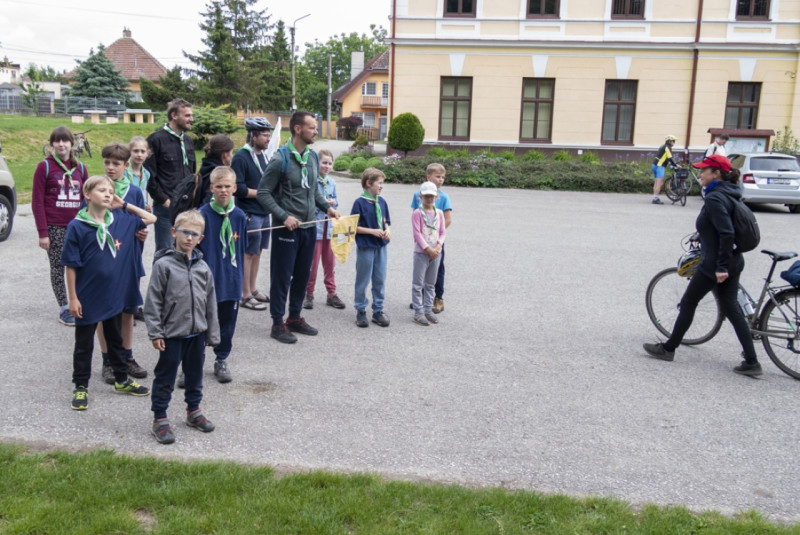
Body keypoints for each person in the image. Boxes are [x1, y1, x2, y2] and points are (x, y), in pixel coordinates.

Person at [643, 154, 763, 377]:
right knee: (731, 307)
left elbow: (726, 232)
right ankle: (752, 361)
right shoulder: (730, 192)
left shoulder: (715, 198)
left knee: (689, 302)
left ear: (716, 173)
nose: (700, 174)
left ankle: (668, 348)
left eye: (704, 170)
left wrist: (721, 267)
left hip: (715, 263)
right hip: (735, 260)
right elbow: (721, 227)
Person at [61, 175, 156, 410]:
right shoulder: (77, 226)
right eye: (101, 190)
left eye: (110, 191)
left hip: (114, 294)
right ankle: (80, 386)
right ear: (87, 195)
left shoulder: (120, 219)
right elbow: (70, 265)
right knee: (84, 345)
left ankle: (121, 380)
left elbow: (151, 218)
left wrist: (124, 204)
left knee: (115, 339)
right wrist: (73, 298)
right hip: (87, 296)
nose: (107, 194)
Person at [256, 111, 341, 344]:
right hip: (287, 229)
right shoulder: (280, 159)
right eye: (312, 127)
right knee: (282, 277)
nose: (316, 131)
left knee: (303, 275)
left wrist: (327, 208)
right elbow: (263, 193)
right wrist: (284, 216)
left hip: (309, 227)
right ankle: (277, 323)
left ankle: (294, 317)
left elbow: (313, 191)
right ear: (297, 129)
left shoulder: (312, 157)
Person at [144, 209, 220, 444]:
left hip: (197, 335)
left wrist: (212, 333)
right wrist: (155, 332)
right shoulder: (163, 265)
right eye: (185, 232)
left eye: (194, 234)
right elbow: (153, 301)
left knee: (195, 375)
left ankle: (193, 411)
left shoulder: (203, 268)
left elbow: (210, 302)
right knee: (165, 377)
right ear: (173, 232)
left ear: (201, 239)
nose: (189, 238)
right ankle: (160, 418)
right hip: (171, 334)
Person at [95, 143, 150, 385]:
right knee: (104, 311)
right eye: (107, 162)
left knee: (128, 310)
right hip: (104, 260)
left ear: (126, 165)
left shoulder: (135, 193)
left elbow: (142, 221)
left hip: (129, 258)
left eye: (116, 163)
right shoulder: (95, 190)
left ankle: (127, 357)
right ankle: (108, 360)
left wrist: (142, 233)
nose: (110, 167)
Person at [32, 126, 88, 326]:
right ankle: (64, 307)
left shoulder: (81, 168)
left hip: (78, 226)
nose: (61, 144)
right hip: (55, 226)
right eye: (57, 141)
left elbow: (87, 198)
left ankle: (79, 301)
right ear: (52, 144)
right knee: (58, 267)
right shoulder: (44, 167)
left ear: (72, 144)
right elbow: (37, 201)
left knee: (81, 265)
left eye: (65, 141)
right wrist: (43, 232)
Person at [198, 166, 246, 384]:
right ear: (211, 188)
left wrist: (241, 281)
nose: (223, 190)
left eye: (227, 186)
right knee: (199, 323)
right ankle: (193, 361)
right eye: (219, 186)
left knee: (227, 323)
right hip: (207, 281)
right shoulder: (202, 215)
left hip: (231, 280)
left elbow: (242, 250)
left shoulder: (240, 216)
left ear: (235, 188)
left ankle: (221, 359)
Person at [232, 117, 273, 312]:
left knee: (258, 252)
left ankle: (253, 288)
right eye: (264, 135)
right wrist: (262, 194)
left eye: (268, 135)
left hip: (264, 212)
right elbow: (238, 188)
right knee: (248, 254)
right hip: (250, 213)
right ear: (253, 136)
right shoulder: (241, 157)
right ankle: (244, 294)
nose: (268, 139)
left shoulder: (263, 155)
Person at [145, 98, 196, 252]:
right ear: (174, 116)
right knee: (165, 252)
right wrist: (165, 201)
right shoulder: (155, 140)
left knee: (185, 251)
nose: (191, 119)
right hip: (166, 209)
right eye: (187, 115)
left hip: (186, 207)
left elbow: (192, 173)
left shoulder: (188, 141)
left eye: (191, 115)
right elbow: (149, 176)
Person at [303, 149, 346, 311]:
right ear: (317, 163)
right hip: (316, 229)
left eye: (329, 163)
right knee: (312, 265)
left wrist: (332, 203)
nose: (327, 166)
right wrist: (323, 204)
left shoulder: (332, 182)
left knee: (330, 264)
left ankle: (331, 293)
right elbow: (308, 204)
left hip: (330, 230)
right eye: (324, 163)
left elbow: (337, 202)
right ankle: (308, 293)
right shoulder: (311, 181)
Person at [410, 163, 453, 314]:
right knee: (421, 270)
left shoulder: (443, 197)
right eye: (438, 176)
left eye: (443, 177)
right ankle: (420, 299)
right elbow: (416, 217)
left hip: (436, 243)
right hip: (422, 242)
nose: (441, 179)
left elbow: (448, 219)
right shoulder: (418, 195)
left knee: (437, 269)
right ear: (428, 177)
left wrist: (435, 236)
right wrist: (423, 238)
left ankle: (438, 297)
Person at [351, 167, 391, 328]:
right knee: (363, 279)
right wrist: (372, 231)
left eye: (382, 183)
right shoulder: (359, 203)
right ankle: (360, 310)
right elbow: (354, 227)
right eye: (379, 183)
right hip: (366, 247)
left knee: (380, 279)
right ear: (369, 183)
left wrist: (388, 230)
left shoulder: (382, 202)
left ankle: (378, 310)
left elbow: (385, 221)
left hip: (381, 247)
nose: (381, 186)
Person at [411, 181, 446, 326]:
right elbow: (417, 233)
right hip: (422, 252)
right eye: (426, 196)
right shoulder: (418, 213)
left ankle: (428, 309)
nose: (429, 199)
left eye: (432, 196)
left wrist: (438, 246)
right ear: (421, 196)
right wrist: (427, 249)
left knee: (431, 284)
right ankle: (418, 312)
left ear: (436, 196)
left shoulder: (439, 213)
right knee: (418, 284)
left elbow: (442, 232)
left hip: (436, 253)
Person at [197, 134, 235, 205]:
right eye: (231, 152)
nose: (232, 156)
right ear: (225, 155)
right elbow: (208, 200)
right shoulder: (218, 174)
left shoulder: (205, 166)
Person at [126, 136, 151, 212]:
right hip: (125, 209)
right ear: (129, 152)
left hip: (139, 211)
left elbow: (142, 192)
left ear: (147, 153)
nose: (139, 155)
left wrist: (145, 205)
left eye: (143, 152)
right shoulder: (123, 171)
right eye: (136, 151)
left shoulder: (146, 174)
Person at [651, 135, 678, 205]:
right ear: (669, 141)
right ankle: (655, 199)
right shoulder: (668, 147)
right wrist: (676, 165)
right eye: (673, 141)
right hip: (660, 166)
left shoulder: (662, 146)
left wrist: (669, 163)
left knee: (656, 182)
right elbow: (670, 158)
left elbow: (663, 157)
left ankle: (655, 197)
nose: (674, 143)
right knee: (659, 183)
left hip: (654, 164)